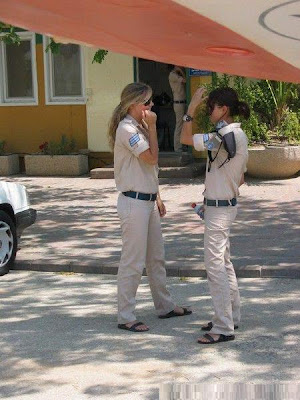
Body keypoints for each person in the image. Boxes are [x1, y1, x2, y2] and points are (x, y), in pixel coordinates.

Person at [108, 82, 192, 333]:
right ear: (133, 104)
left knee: (156, 258)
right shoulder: (127, 129)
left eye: (151, 101)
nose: (151, 106)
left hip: (147, 200)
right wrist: (154, 127)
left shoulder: (138, 126)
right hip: (133, 203)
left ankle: (164, 306)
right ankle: (125, 316)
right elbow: (152, 158)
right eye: (147, 102)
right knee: (133, 262)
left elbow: (149, 169)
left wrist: (157, 195)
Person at [180, 86, 249, 345]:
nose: (209, 111)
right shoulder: (239, 135)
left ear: (224, 109)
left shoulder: (220, 136)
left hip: (220, 209)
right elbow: (240, 178)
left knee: (215, 266)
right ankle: (232, 316)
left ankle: (223, 327)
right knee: (225, 263)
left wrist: (191, 108)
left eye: (212, 107)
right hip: (225, 205)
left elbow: (185, 139)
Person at [168, 65, 186, 152]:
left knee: (184, 124)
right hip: (178, 103)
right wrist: (181, 71)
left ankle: (183, 144)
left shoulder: (177, 74)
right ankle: (178, 147)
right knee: (179, 124)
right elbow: (185, 80)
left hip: (182, 102)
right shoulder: (173, 75)